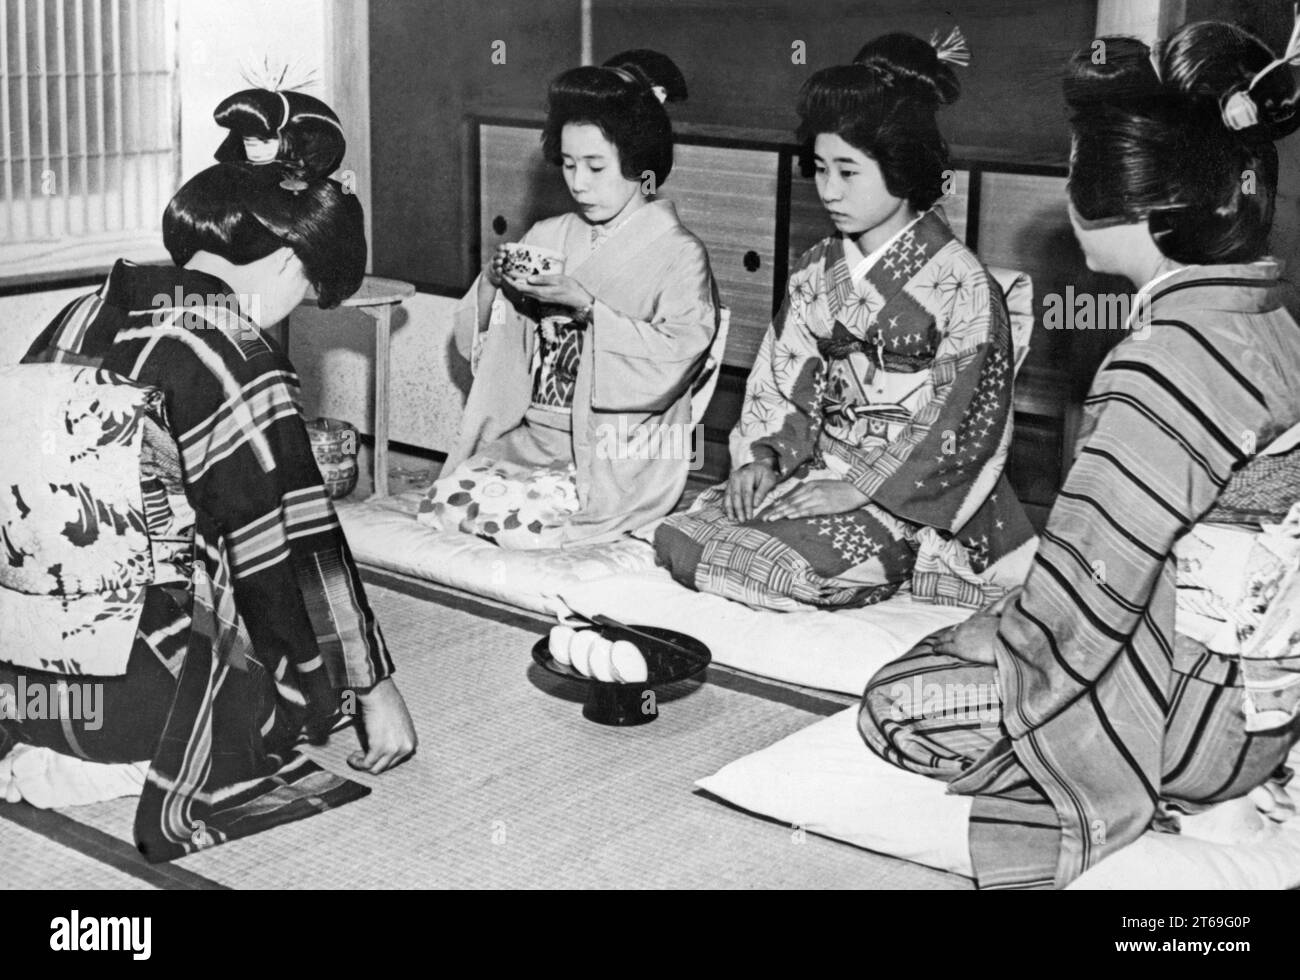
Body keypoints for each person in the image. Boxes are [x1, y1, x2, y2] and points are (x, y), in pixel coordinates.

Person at [859, 22, 1300, 889]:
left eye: (1072, 171)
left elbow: (1093, 590)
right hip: (1271, 694)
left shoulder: (1162, 360)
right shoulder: (1273, 324)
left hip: (1192, 716)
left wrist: (1006, 632)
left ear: (1121, 199)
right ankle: (1228, 779)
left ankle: (1167, 792)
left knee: (896, 705)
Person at [2, 87, 417, 861]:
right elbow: (296, 540)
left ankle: (60, 743)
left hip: (25, 679)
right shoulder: (228, 346)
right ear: (292, 257)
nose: (300, 308)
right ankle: (125, 759)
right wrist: (372, 685)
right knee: (300, 678)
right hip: (132, 700)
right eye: (311, 288)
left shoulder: (88, 310)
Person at [654, 32, 1033, 611]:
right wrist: (762, 459)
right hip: (820, 465)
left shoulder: (964, 284)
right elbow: (782, 380)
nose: (828, 190)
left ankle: (889, 555)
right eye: (820, 169)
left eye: (848, 172)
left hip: (908, 493)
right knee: (684, 536)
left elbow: (964, 420)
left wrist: (859, 488)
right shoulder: (817, 270)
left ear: (902, 169)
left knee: (771, 567)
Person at [417, 51, 720, 549]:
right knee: (450, 502)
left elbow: (681, 351)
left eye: (596, 166)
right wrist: (496, 285)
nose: (578, 183)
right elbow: (487, 343)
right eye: (569, 164)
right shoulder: (549, 233)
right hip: (537, 433)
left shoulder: (679, 253)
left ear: (638, 162)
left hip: (614, 448)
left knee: (534, 525)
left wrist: (587, 307)